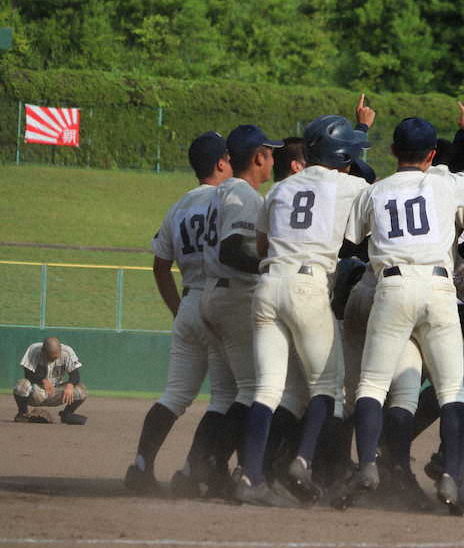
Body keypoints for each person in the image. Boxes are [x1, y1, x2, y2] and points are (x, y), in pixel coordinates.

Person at [340, 115, 464, 514]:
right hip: (439, 287)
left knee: (373, 386)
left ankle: (367, 467)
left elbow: (349, 246)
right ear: (432, 154)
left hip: (391, 286)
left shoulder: (374, 191)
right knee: (452, 391)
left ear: (393, 151)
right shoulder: (448, 183)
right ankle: (449, 474)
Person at [234, 112, 372, 506]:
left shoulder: (280, 188)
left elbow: (262, 246)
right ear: (343, 154)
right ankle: (301, 460)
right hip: (308, 286)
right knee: (328, 387)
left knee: (269, 389)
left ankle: (250, 475)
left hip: (268, 283)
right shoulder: (352, 186)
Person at [124, 131, 237, 495]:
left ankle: (140, 465)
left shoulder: (179, 206)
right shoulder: (229, 199)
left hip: (188, 302)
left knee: (174, 395)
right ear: (221, 163)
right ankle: (193, 470)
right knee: (225, 397)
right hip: (219, 302)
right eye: (230, 157)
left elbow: (160, 266)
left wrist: (178, 309)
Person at [200, 124, 283, 485]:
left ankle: (199, 468)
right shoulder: (243, 195)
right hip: (233, 295)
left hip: (213, 294)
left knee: (226, 395)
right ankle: (215, 466)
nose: (273, 159)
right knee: (252, 391)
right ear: (258, 157)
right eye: (270, 152)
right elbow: (233, 249)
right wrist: (271, 265)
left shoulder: (220, 192)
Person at [13, 336, 87, 425]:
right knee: (21, 385)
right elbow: (28, 374)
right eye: (50, 357)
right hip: (37, 392)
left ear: (60, 349)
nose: (53, 359)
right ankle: (23, 414)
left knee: (81, 390)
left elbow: (75, 375)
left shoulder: (67, 352)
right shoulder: (34, 350)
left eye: (56, 356)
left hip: (56, 392)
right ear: (43, 351)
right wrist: (42, 380)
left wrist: (70, 385)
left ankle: (67, 414)